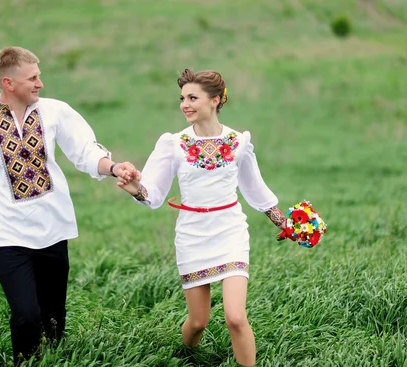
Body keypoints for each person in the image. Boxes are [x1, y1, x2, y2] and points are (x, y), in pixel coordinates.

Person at [0, 46, 139, 365]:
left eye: (39, 75)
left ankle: (54, 358)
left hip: (54, 226)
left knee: (53, 315)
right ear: (8, 83)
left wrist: (113, 167)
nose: (40, 83)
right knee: (26, 315)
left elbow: (85, 152)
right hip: (6, 233)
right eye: (32, 78)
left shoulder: (56, 112)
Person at [117, 69, 286, 366]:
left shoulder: (238, 141)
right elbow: (153, 193)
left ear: (215, 100)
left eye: (193, 98)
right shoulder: (173, 143)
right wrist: (136, 189)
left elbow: (254, 189)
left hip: (230, 230)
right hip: (192, 234)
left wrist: (284, 222)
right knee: (198, 322)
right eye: (182, 98)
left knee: (235, 317)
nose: (185, 104)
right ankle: (185, 358)